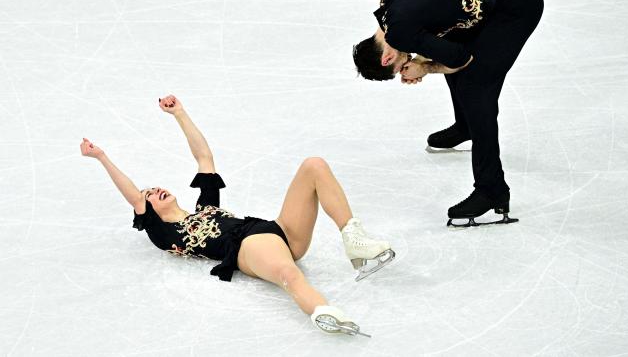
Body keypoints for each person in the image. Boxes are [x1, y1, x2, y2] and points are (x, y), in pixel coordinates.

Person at [79, 95, 394, 336]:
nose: (155, 190)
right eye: (149, 195)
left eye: (155, 188)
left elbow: (204, 155)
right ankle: (323, 311)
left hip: (277, 231)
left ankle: (354, 238)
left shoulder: (206, 206)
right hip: (246, 246)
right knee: (289, 275)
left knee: (313, 165)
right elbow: (133, 194)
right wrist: (101, 156)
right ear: (147, 211)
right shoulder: (166, 236)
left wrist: (179, 114)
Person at [352, 0, 544, 227]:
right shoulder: (387, 3)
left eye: (398, 69)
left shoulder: (402, 32)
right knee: (454, 57)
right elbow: (438, 24)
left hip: (515, 6)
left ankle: (492, 190)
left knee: (475, 88)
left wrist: (425, 67)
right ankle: (465, 126)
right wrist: (422, 57)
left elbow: (460, 59)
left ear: (386, 58)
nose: (402, 69)